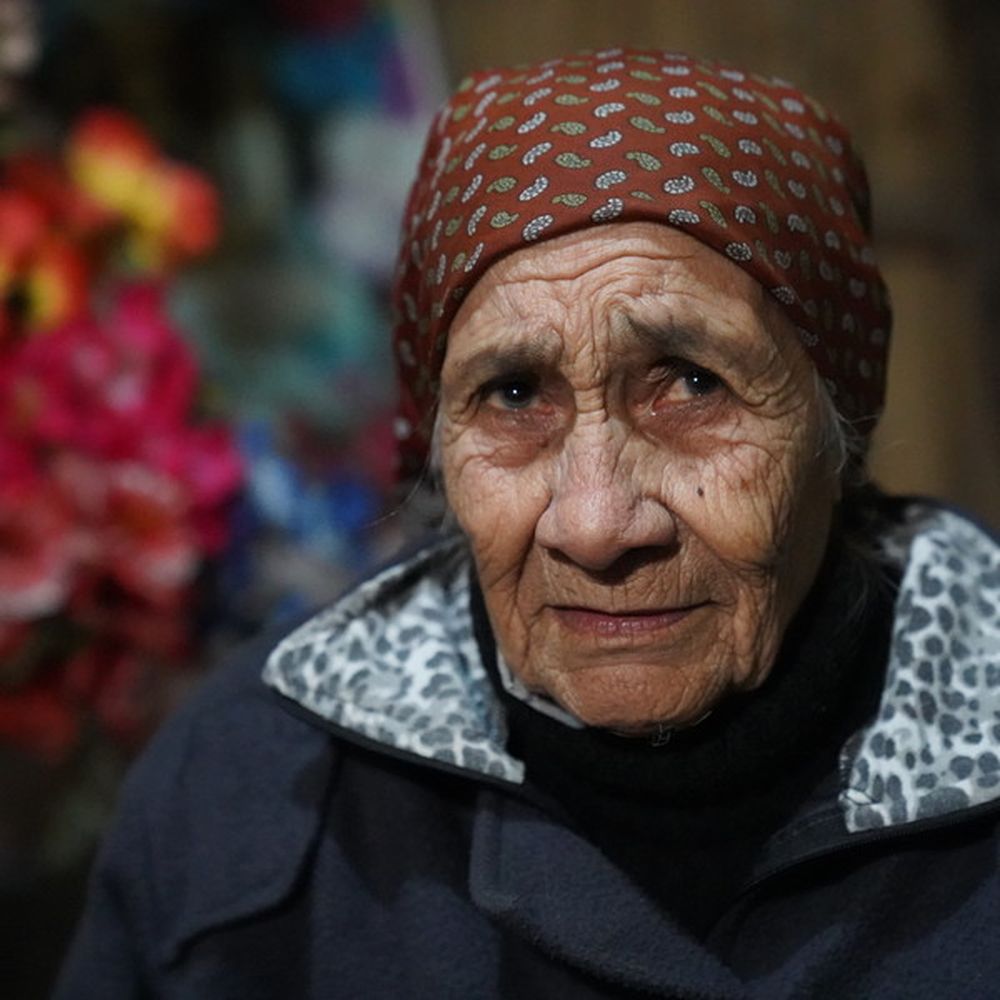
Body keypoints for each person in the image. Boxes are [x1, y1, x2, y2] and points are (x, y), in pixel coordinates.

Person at [56, 47, 1000, 999]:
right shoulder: (246, 787)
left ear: (835, 423)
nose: (595, 524)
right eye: (512, 394)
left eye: (691, 382)